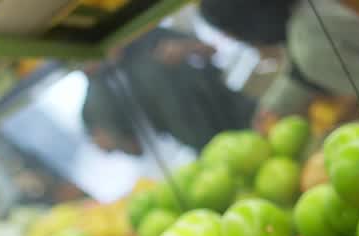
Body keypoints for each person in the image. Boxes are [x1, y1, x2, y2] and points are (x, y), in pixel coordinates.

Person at [198, 0, 359, 129]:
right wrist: (272, 107)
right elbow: (299, 69)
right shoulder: (301, 15)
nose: (233, 39)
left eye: (228, 31)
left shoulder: (310, 47)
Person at [81, 25, 256, 154]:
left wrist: (185, 48)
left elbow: (210, 49)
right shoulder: (103, 91)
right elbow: (137, 149)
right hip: (206, 147)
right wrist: (113, 142)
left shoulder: (145, 35)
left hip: (241, 114)